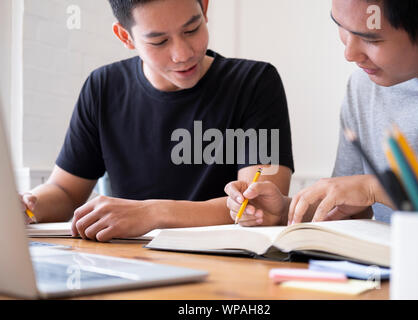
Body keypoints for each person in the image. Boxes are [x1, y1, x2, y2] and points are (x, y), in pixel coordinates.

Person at [20, 0, 294, 241]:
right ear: (125, 37)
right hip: (129, 262)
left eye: (192, 29)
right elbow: (64, 192)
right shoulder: (102, 87)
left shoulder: (254, 83)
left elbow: (261, 206)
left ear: (205, 7)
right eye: (159, 41)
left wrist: (152, 212)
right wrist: (27, 206)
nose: (183, 53)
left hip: (228, 266)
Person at [225, 0, 418, 226]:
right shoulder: (364, 85)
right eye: (340, 25)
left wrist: (376, 188)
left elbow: (366, 190)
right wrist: (284, 212)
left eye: (371, 39)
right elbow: (348, 207)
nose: (349, 54)